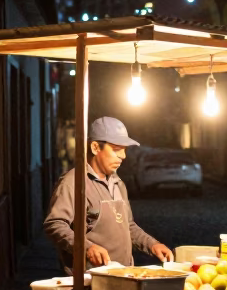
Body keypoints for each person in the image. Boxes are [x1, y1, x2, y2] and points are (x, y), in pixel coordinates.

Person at [44, 115, 173, 271]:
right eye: (117, 149)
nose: (123, 156)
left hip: (123, 277)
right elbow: (55, 224)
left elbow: (129, 226)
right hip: (89, 283)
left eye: (125, 150)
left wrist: (152, 244)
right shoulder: (74, 182)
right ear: (95, 148)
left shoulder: (118, 184)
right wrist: (87, 248)